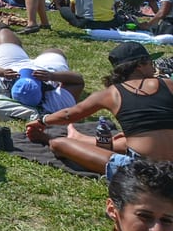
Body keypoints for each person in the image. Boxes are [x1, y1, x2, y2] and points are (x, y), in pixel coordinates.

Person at [26, 42, 173, 178]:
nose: (154, 68)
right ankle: (80, 138)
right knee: (126, 140)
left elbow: (69, 114)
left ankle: (49, 139)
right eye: (151, 63)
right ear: (140, 65)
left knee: (59, 144)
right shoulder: (168, 84)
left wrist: (42, 120)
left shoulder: (111, 93)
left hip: (142, 170)